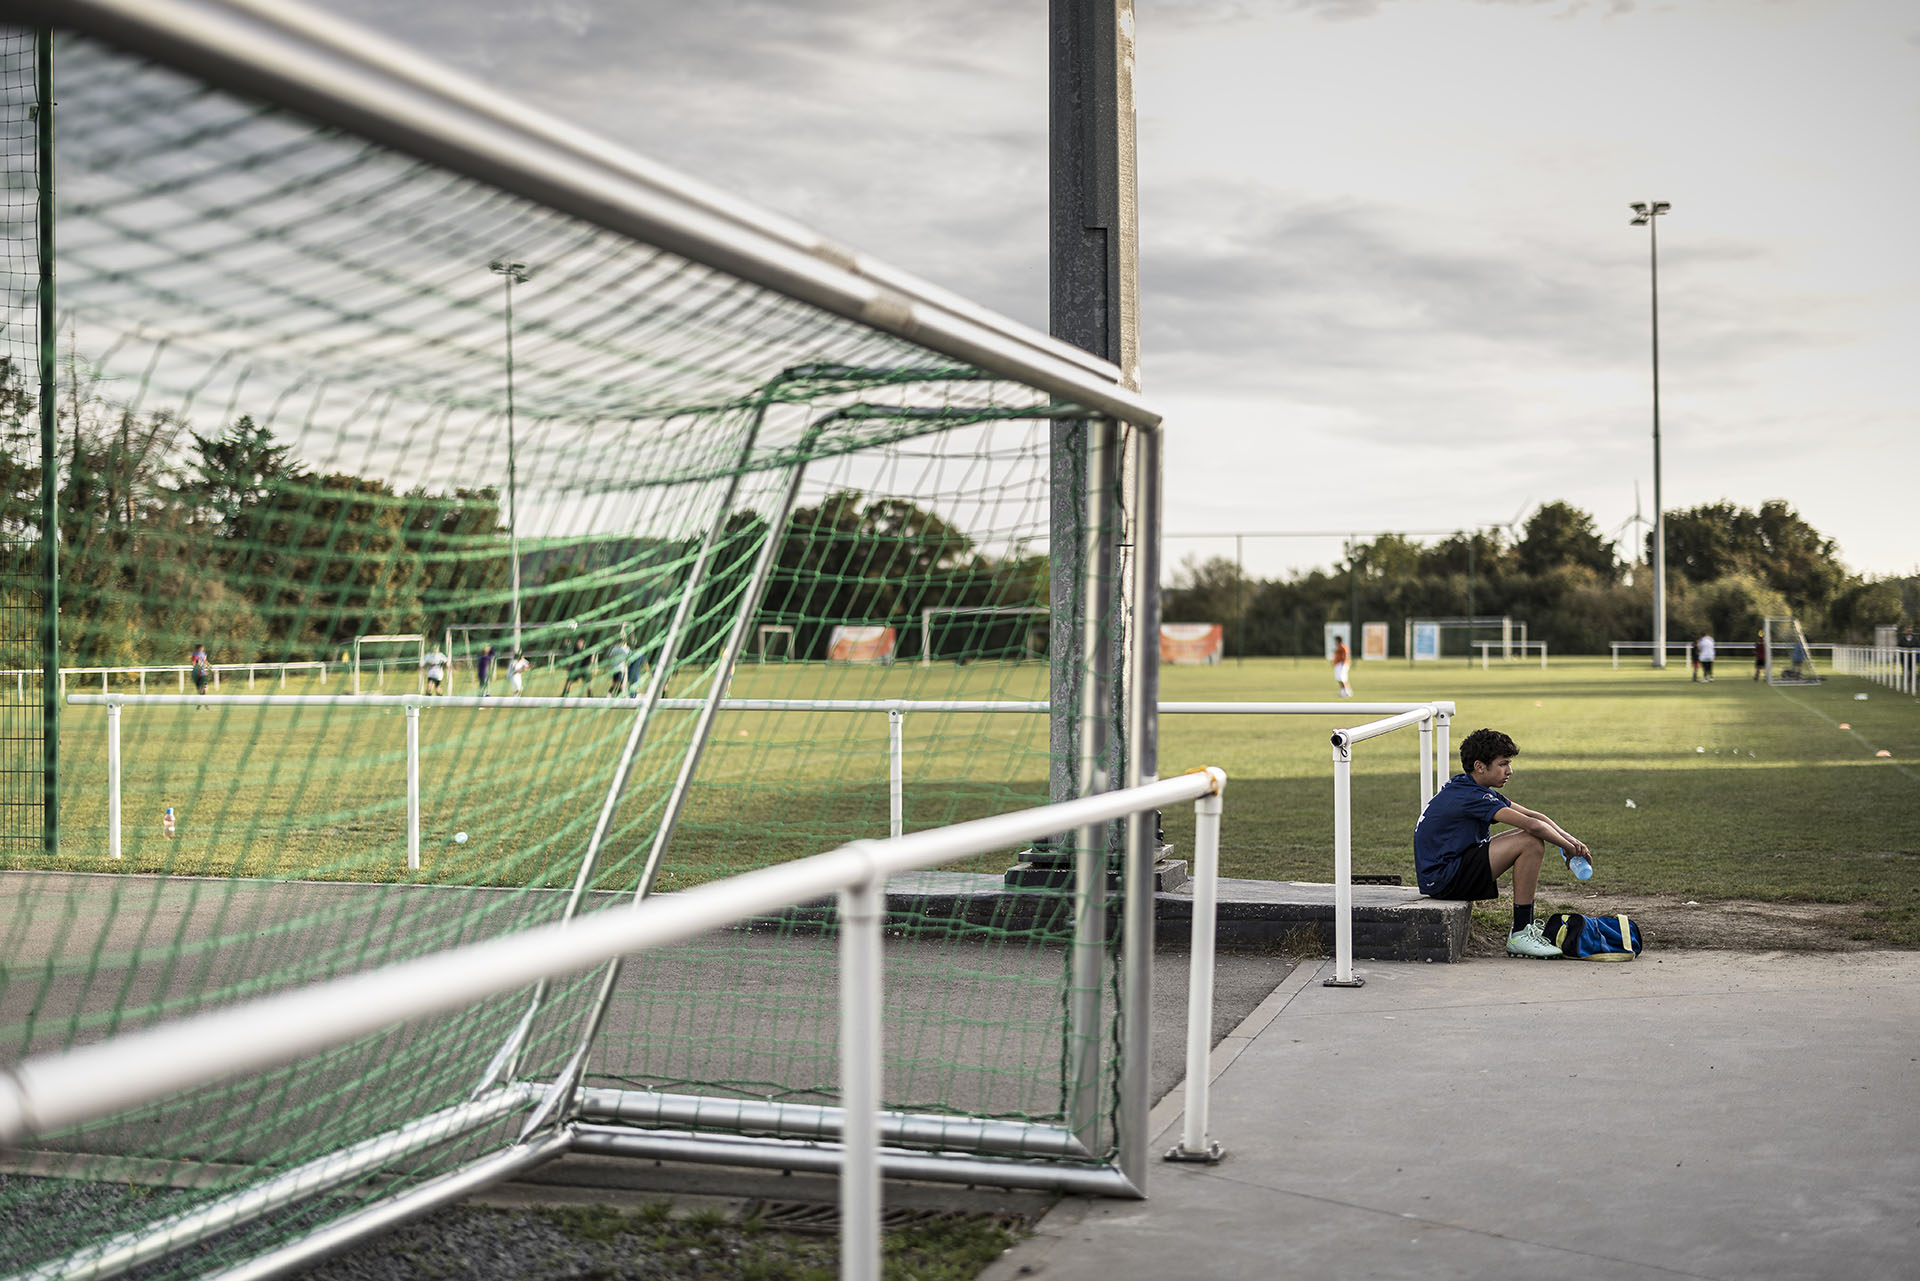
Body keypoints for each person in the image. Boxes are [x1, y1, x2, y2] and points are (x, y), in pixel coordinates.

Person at [1414, 727, 1592, 959]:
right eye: (1503, 764)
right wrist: (1568, 849)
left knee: (1530, 836)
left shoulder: (1469, 785)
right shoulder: (1471, 796)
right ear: (1480, 766)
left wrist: (1572, 841)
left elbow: (1534, 816)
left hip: (1448, 870)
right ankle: (1520, 933)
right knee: (1530, 842)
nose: (1510, 770)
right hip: (1444, 879)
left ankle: (1523, 929)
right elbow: (1534, 827)